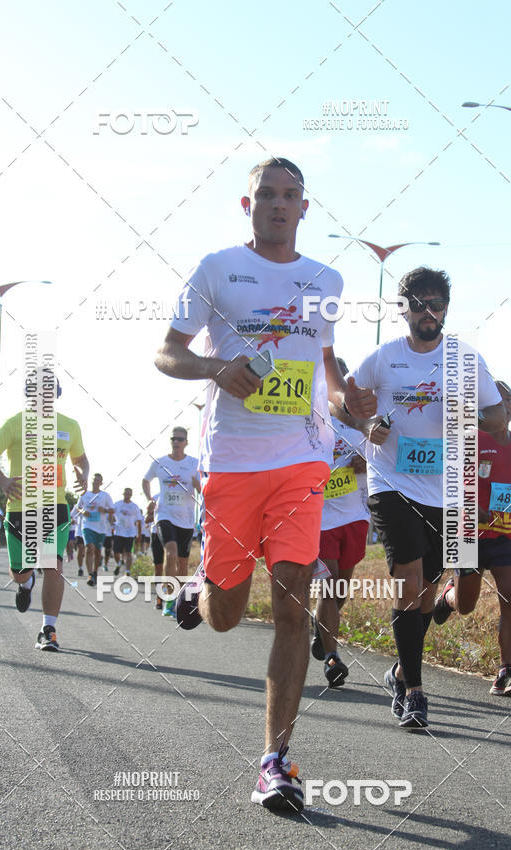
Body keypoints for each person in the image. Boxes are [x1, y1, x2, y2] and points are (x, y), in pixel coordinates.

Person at [155, 156, 376, 812]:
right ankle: (207, 587)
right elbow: (166, 351)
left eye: (291, 196)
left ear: (305, 207)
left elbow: (326, 367)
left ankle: (275, 761)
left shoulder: (326, 278)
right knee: (225, 617)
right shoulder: (217, 269)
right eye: (267, 195)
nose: (279, 204)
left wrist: (347, 402)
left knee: (290, 607)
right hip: (232, 462)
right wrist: (217, 367)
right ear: (246, 204)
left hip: (301, 463)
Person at [352, 267, 504, 728]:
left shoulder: (465, 358)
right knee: (409, 580)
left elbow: (497, 415)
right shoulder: (384, 358)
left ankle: (401, 670)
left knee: (428, 592)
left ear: (446, 309)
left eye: (436, 304)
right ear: (404, 310)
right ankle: (416, 693)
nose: (428, 312)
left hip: (446, 490)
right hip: (392, 482)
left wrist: (469, 416)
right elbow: (349, 400)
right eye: (419, 304)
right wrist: (367, 425)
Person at [433, 380, 511, 697]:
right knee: (466, 606)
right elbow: (448, 481)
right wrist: (472, 507)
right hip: (467, 533)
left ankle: (506, 672)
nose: (506, 407)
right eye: (498, 402)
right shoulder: (470, 439)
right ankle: (447, 597)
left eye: (509, 402)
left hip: (506, 533)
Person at [0, 371, 89, 650]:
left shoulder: (70, 426)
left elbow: (81, 459)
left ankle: (48, 629)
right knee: (20, 571)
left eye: (49, 389)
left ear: (56, 393)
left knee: (53, 565)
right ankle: (25, 583)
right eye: (38, 389)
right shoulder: (15, 424)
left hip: (56, 507)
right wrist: (3, 481)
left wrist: (82, 473)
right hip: (20, 507)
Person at [311, 358, 370, 687]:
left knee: (339, 590)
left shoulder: (361, 425)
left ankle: (321, 629)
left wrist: (367, 464)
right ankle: (332, 659)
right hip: (320, 519)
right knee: (328, 587)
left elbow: (385, 462)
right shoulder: (308, 423)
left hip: (355, 516)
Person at [142, 428, 200, 579]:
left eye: (180, 439)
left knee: (183, 562)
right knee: (171, 553)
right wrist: (150, 499)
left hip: (186, 519)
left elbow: (204, 490)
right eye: (173, 439)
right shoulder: (160, 462)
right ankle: (169, 596)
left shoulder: (194, 463)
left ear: (186, 443)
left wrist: (197, 486)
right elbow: (145, 480)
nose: (176, 442)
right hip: (164, 515)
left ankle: (179, 599)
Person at [74, 474, 114, 587]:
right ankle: (90, 574)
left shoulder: (105, 496)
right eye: (94, 480)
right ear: (91, 481)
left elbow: (112, 510)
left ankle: (95, 572)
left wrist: (105, 510)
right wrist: (82, 512)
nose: (95, 482)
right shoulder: (85, 494)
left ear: (101, 483)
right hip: (87, 526)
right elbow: (77, 507)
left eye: (98, 481)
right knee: (89, 548)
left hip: (101, 528)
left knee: (97, 551)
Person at [113, 488, 142, 576]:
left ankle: (127, 571)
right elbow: (110, 514)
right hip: (118, 531)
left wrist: (139, 534)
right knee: (116, 552)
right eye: (126, 493)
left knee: (129, 552)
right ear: (123, 494)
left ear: (131, 495)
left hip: (130, 532)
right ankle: (118, 564)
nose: (127, 495)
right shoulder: (117, 504)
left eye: (129, 494)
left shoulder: (134, 506)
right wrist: (112, 524)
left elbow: (138, 521)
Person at [71, 506, 85, 576]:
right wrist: (72, 520)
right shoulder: (77, 506)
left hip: (91, 531)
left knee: (88, 550)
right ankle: (80, 568)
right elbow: (71, 515)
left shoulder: (95, 502)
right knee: (80, 548)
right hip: (80, 532)